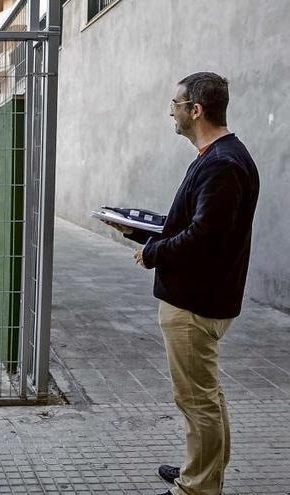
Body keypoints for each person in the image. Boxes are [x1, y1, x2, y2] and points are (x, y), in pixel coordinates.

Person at [103, 73, 259, 495]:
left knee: (196, 399)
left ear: (196, 110)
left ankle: (199, 486)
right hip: (201, 297)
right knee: (205, 392)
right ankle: (204, 468)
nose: (170, 111)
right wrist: (142, 231)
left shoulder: (223, 163)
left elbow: (204, 238)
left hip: (194, 303)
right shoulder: (219, 157)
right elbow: (195, 224)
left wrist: (152, 253)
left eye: (175, 103)